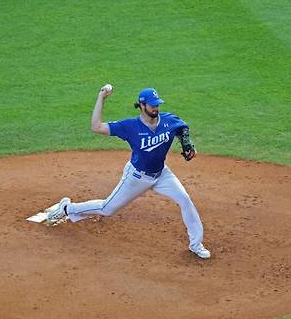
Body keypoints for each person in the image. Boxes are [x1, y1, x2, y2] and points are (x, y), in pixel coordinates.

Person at [47, 85, 210, 259]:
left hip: (162, 175)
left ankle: (196, 244)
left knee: (185, 199)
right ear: (142, 105)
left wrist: (187, 144)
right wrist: (101, 97)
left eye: (157, 104)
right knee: (107, 208)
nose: (156, 107)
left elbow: (182, 128)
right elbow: (96, 127)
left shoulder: (169, 120)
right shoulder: (129, 126)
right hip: (136, 177)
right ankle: (67, 207)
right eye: (152, 104)